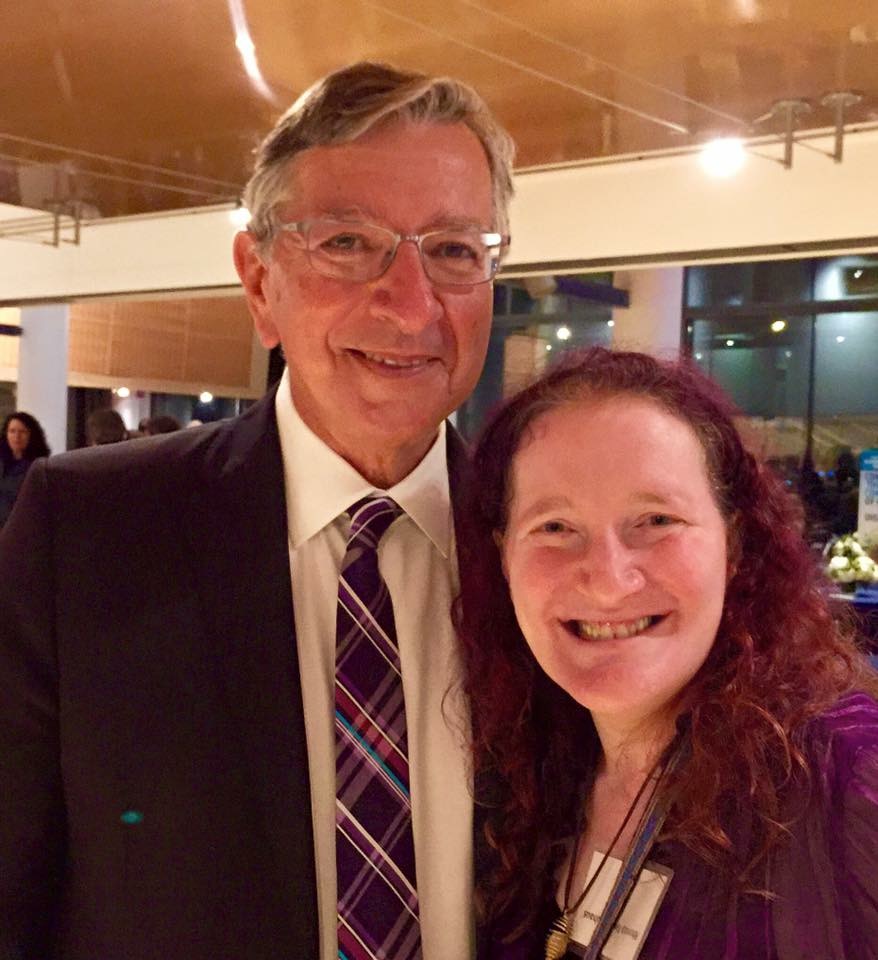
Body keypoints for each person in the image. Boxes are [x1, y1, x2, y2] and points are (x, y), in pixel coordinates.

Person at [0, 62, 514, 960]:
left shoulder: (547, 552)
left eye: (455, 250)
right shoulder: (88, 533)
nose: (410, 304)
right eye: (348, 242)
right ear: (258, 281)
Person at [455, 347, 878, 960]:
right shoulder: (520, 778)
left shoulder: (847, 778)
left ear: (734, 545)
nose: (608, 580)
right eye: (555, 527)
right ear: (503, 557)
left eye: (656, 520)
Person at [0, 410, 50, 527]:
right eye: (12, 431)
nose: (16, 436)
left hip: (21, 527)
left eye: (22, 432)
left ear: (31, 435)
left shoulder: (39, 467)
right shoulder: (2, 462)